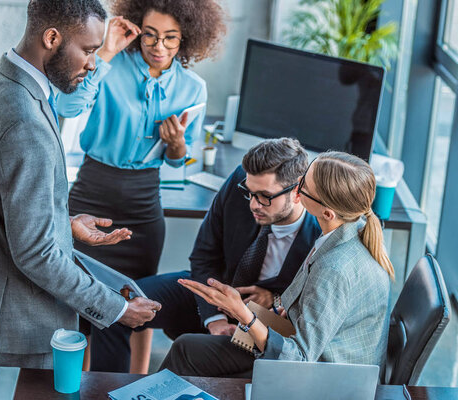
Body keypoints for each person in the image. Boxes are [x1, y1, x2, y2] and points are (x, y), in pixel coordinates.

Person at [0, 0, 160, 369]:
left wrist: (60, 224)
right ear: (52, 37)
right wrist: (116, 309)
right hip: (21, 323)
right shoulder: (24, 120)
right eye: (89, 50)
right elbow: (35, 253)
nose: (94, 63)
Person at [56, 0, 225, 373]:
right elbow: (67, 108)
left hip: (143, 205)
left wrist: (177, 145)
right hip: (91, 192)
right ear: (136, 30)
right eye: (149, 35)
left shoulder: (192, 87)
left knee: (136, 300)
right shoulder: (110, 67)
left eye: (170, 38)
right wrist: (105, 54)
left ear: (187, 39)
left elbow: (178, 160)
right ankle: (84, 385)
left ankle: (134, 383)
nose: (158, 46)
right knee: (79, 301)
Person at [89, 138, 323, 372]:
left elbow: (311, 315)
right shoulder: (240, 182)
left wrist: (275, 299)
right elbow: (204, 257)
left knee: (194, 356)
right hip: (210, 294)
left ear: (297, 192)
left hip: (261, 324)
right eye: (249, 193)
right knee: (114, 309)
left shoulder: (320, 234)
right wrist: (215, 319)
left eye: (264, 196)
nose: (253, 205)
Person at [163, 152, 395, 377]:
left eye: (303, 187)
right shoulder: (354, 230)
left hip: (324, 376)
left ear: (327, 212)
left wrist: (243, 313)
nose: (296, 187)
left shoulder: (334, 269)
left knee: (186, 349)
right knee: (190, 345)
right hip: (316, 349)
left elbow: (298, 360)